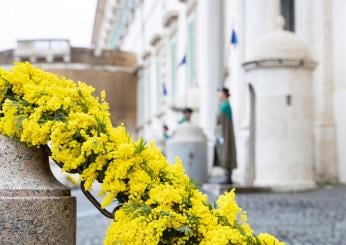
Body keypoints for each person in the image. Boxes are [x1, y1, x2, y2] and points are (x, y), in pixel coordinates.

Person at [214, 87, 237, 184]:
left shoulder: (225, 106)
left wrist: (221, 135)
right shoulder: (223, 105)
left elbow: (224, 123)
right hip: (222, 134)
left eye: (220, 93)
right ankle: (227, 176)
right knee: (224, 153)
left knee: (227, 152)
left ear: (224, 94)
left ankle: (228, 177)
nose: (219, 95)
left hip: (225, 134)